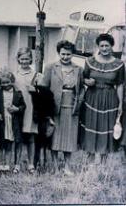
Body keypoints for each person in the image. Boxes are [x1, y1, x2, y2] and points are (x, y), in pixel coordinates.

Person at [80, 33, 124, 164]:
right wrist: (88, 82)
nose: (104, 48)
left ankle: (103, 164)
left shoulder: (119, 64)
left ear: (112, 47)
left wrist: (120, 104)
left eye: (107, 46)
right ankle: (89, 162)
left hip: (110, 99)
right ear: (98, 46)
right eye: (102, 46)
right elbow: (83, 78)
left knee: (106, 128)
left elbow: (120, 84)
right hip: (92, 98)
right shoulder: (90, 61)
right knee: (91, 125)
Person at [41, 40, 82, 175]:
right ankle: (54, 166)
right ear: (59, 53)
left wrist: (79, 102)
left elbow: (81, 88)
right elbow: (44, 89)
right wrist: (47, 109)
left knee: (69, 137)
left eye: (68, 54)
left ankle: (67, 167)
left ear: (72, 54)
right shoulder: (50, 67)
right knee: (55, 137)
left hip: (71, 107)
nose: (65, 57)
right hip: (55, 107)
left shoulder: (78, 69)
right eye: (63, 54)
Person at [0, 69, 25, 173]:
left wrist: (17, 109)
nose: (6, 84)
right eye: (3, 83)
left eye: (8, 82)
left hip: (12, 121)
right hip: (2, 121)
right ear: (0, 83)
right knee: (0, 143)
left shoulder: (18, 93)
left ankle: (7, 164)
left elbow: (23, 106)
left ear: (12, 81)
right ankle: (0, 165)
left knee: (9, 143)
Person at [13, 47, 38, 173]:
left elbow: (42, 92)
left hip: (31, 108)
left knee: (31, 137)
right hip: (19, 109)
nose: (24, 61)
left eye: (27, 59)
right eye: (22, 59)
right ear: (18, 59)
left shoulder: (36, 75)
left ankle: (31, 164)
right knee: (18, 137)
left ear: (31, 60)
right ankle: (16, 164)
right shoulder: (15, 75)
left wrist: (36, 90)